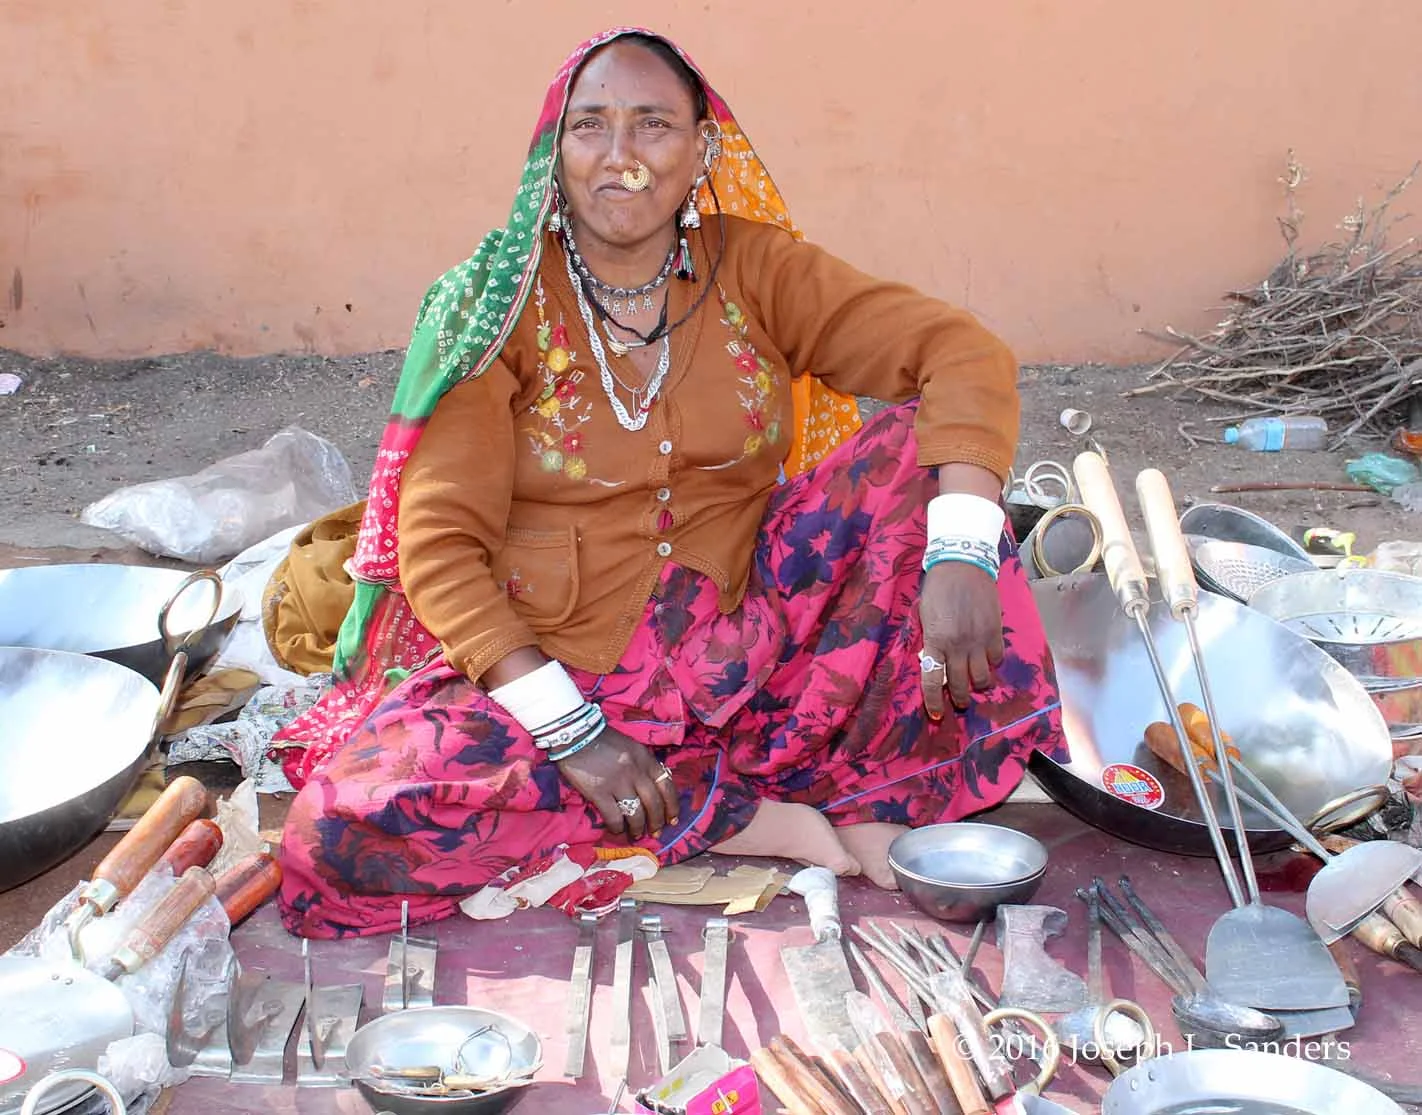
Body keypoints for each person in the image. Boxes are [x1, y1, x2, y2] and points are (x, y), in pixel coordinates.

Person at [274, 27, 1066, 939]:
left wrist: (961, 550)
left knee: (919, 464)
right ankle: (734, 812)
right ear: (555, 150)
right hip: (563, 663)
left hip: (755, 645)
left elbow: (958, 352)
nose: (621, 155)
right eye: (590, 126)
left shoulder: (754, 267)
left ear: (702, 148)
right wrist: (573, 735)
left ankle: (796, 783)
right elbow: (441, 548)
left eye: (652, 124)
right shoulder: (498, 304)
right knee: (336, 831)